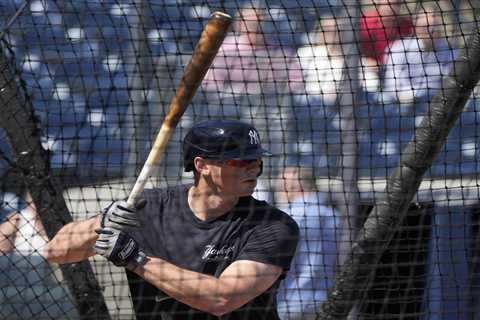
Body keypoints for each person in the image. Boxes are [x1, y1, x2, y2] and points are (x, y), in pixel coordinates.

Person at [43, 119, 300, 319]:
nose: (253, 168)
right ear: (202, 165)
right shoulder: (149, 207)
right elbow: (56, 251)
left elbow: (222, 299)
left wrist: (137, 259)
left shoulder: (273, 225)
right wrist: (101, 222)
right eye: (240, 161)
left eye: (256, 161)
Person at [274, 166, 342, 320]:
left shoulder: (285, 218)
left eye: (280, 187)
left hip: (289, 303)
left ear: (291, 188)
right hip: (323, 300)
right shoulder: (334, 216)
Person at [381, 3, 457, 105]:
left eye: (433, 27)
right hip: (405, 105)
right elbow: (392, 87)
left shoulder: (451, 52)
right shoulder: (399, 49)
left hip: (440, 103)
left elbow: (453, 84)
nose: (429, 31)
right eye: (425, 27)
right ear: (416, 27)